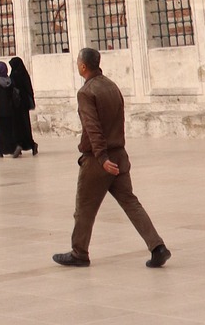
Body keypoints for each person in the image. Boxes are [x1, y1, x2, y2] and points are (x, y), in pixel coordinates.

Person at [53, 48, 171, 269]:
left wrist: (102, 158)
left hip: (100, 160)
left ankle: (79, 252)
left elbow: (93, 128)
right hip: (119, 154)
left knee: (85, 208)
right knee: (130, 202)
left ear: (83, 66)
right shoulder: (111, 86)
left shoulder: (86, 92)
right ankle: (157, 247)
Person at [9, 56, 39, 156]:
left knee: (17, 126)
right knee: (25, 126)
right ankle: (30, 144)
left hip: (17, 105)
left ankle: (20, 145)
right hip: (23, 105)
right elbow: (29, 90)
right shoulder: (24, 74)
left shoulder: (14, 75)